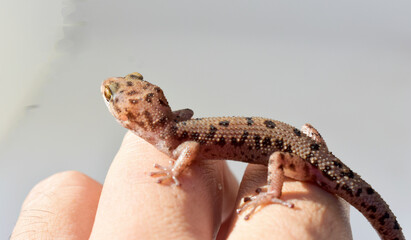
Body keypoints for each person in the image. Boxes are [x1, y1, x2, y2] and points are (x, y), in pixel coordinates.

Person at [11, 132, 352, 239]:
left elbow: (187, 149)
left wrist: (175, 173)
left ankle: (273, 194)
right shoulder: (179, 131)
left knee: (276, 160)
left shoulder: (178, 139)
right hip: (309, 152)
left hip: (303, 161)